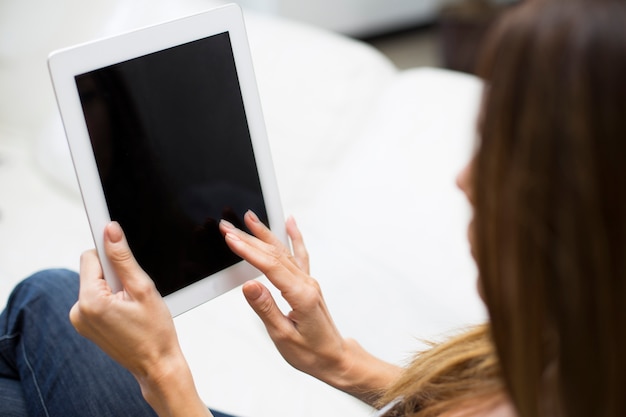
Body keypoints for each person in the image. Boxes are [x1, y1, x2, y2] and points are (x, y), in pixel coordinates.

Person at [2, 0, 625, 416]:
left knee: (50, 299)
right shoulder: (577, 356)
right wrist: (339, 359)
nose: (464, 177)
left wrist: (161, 369)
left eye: (496, 152)